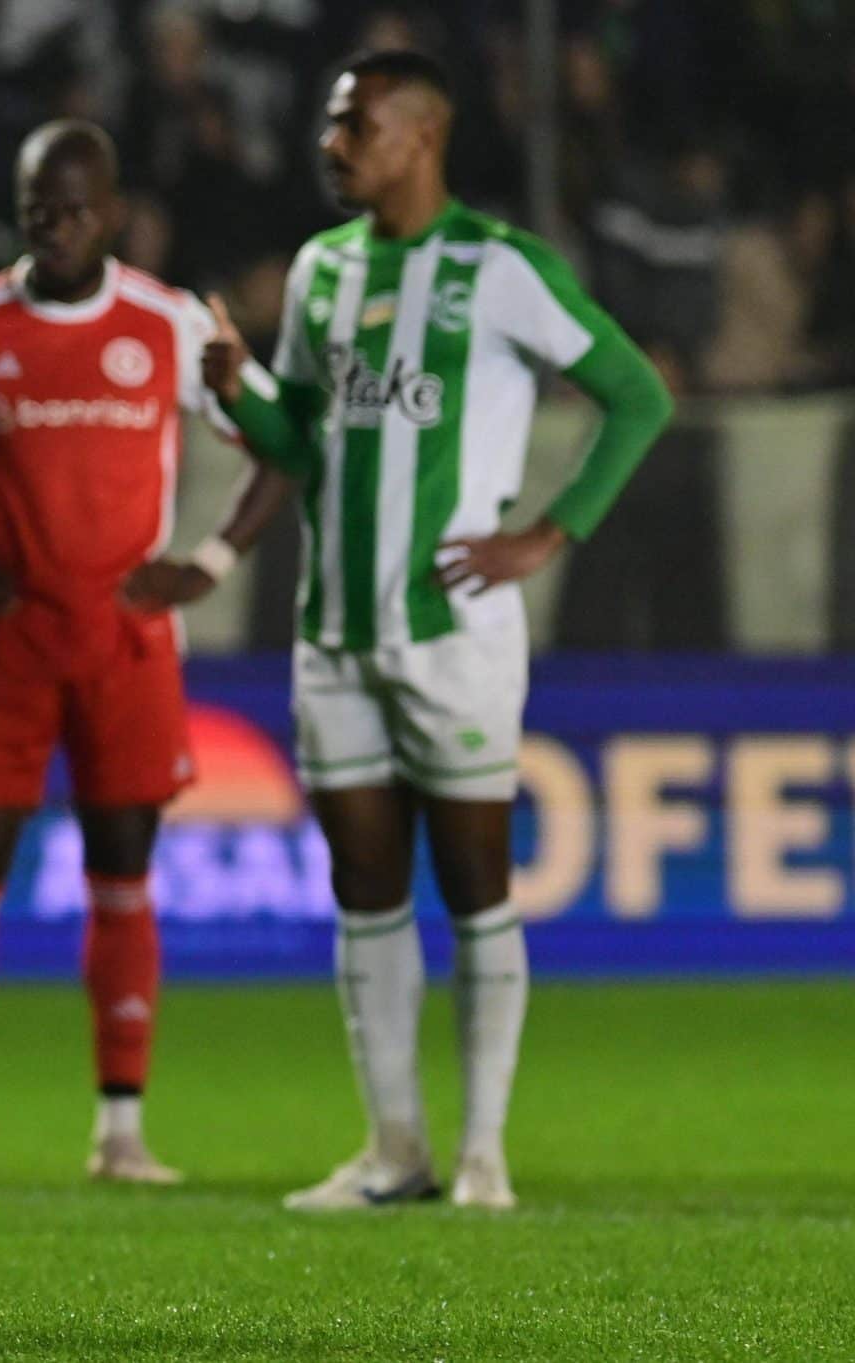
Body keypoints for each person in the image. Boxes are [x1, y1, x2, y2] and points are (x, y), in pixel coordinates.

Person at [199, 49, 673, 1211]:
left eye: (350, 124)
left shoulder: (499, 269)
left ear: (419, 136)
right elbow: (308, 448)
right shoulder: (318, 271)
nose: (330, 143)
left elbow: (636, 394)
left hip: (454, 629)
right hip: (336, 630)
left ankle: (482, 1156)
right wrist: (236, 391)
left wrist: (544, 533)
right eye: (329, 123)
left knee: (473, 882)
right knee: (364, 886)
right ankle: (393, 1149)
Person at [0, 119, 295, 1191]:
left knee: (122, 865)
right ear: (19, 207)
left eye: (79, 208)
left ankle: (121, 1131)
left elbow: (279, 445)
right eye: (41, 207)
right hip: (5, 639)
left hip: (127, 639)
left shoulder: (170, 323)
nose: (59, 226)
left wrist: (212, 560)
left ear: (114, 211)